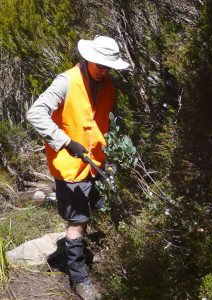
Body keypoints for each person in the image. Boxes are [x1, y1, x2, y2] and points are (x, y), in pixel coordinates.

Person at [27, 35, 129, 300]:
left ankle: (106, 253)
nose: (105, 71)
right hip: (70, 166)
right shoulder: (66, 81)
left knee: (100, 210)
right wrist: (65, 142)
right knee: (77, 221)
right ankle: (79, 279)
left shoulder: (108, 85)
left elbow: (111, 122)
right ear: (89, 59)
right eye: (101, 66)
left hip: (97, 164)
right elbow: (36, 113)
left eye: (109, 67)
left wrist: (116, 154)